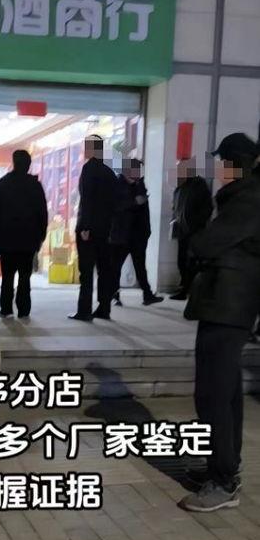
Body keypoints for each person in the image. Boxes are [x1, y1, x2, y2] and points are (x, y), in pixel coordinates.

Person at [179, 133, 260, 513]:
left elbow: (206, 243)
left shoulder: (248, 199)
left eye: (222, 162)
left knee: (212, 394)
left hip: (229, 306)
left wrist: (194, 233)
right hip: (226, 305)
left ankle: (223, 481)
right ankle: (225, 466)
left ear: (235, 164)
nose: (218, 169)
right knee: (225, 392)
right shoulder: (242, 197)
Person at [0, 149, 48, 319]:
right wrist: (41, 235)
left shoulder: (3, 184)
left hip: (6, 238)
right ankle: (24, 309)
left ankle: (6, 308)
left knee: (7, 276)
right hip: (29, 239)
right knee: (25, 276)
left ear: (14, 163)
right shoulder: (35, 186)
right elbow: (42, 213)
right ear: (28, 165)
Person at [69, 135, 118, 322]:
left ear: (91, 149)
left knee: (87, 271)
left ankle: (84, 310)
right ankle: (104, 308)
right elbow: (114, 203)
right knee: (104, 270)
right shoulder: (109, 172)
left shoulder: (89, 169)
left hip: (89, 229)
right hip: (106, 229)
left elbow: (87, 199)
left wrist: (85, 226)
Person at [110, 159, 163, 307]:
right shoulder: (118, 184)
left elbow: (144, 208)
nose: (139, 172)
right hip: (121, 234)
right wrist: (134, 203)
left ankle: (148, 295)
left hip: (138, 234)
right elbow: (116, 207)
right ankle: (114, 295)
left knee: (140, 266)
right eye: (136, 169)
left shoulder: (140, 184)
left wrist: (147, 231)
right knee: (116, 267)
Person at [170, 160, 213, 300]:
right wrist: (174, 219)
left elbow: (207, 207)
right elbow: (175, 206)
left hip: (195, 231)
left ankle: (188, 290)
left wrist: (197, 223)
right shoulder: (180, 186)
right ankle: (184, 287)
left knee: (192, 262)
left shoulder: (198, 185)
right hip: (182, 231)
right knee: (181, 261)